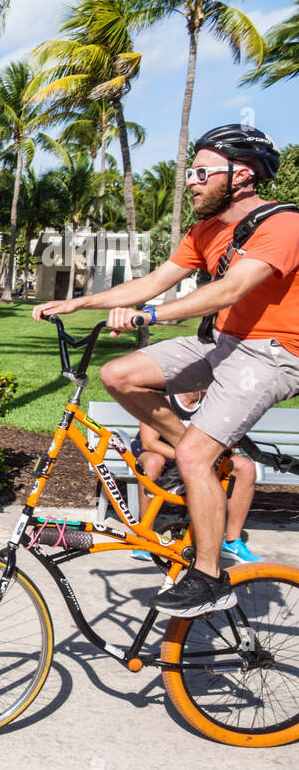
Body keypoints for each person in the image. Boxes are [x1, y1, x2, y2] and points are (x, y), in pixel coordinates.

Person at [34, 123, 299, 617]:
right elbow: (153, 281)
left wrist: (151, 316)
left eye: (201, 171)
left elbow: (230, 290)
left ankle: (209, 575)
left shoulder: (283, 225)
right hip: (223, 343)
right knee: (119, 376)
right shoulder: (205, 230)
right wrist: (79, 303)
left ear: (241, 174)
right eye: (189, 172)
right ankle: (195, 451)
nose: (191, 181)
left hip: (273, 352)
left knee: (196, 458)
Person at [131, 389, 261, 563]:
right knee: (153, 462)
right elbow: (149, 443)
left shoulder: (215, 403)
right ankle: (145, 536)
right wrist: (189, 457)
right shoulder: (162, 399)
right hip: (159, 451)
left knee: (245, 467)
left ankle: (232, 541)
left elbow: (228, 445)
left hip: (197, 456)